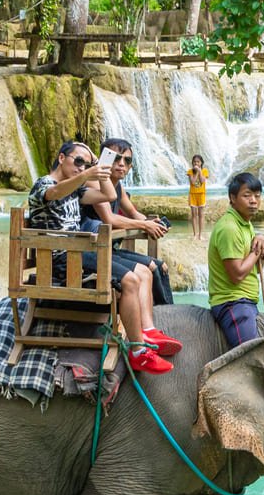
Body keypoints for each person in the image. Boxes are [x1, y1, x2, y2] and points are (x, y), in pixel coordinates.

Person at [27, 140, 179, 375]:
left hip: (81, 253)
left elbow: (108, 194)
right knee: (129, 280)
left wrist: (101, 167)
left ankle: (146, 332)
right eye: (78, 161)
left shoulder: (76, 191)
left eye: (86, 163)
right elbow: (54, 192)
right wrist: (88, 172)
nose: (81, 167)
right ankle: (138, 351)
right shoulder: (43, 184)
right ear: (61, 158)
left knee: (142, 271)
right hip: (62, 259)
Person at [85, 137, 175, 307]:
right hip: (90, 251)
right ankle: (154, 320)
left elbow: (133, 212)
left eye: (126, 160)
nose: (121, 164)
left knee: (160, 266)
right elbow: (109, 218)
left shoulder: (118, 186)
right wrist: (145, 225)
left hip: (107, 249)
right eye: (116, 158)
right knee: (151, 267)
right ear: (104, 159)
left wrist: (152, 222)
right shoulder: (95, 182)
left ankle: (166, 315)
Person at [208, 172, 264, 350]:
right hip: (233, 304)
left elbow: (254, 270)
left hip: (246, 302)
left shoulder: (245, 224)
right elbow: (237, 274)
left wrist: (261, 254)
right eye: (247, 195)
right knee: (251, 355)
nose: (253, 201)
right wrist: (257, 251)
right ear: (232, 198)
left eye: (257, 196)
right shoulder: (229, 227)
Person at [186, 153, 210, 238]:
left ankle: (200, 235)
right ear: (192, 163)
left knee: (201, 215)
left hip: (201, 194)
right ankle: (195, 234)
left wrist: (200, 171)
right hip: (192, 195)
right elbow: (192, 182)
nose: (196, 163)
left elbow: (203, 181)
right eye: (194, 162)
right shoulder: (190, 171)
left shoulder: (205, 171)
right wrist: (196, 172)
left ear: (201, 163)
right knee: (193, 215)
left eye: (198, 162)